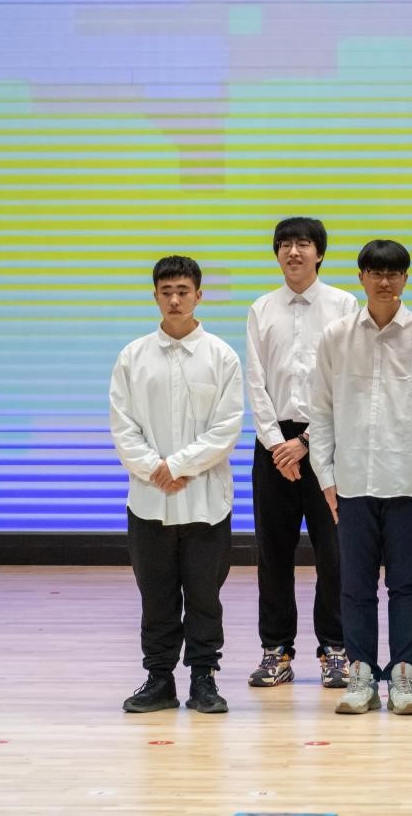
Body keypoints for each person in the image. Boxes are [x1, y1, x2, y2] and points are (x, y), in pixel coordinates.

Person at [309, 239, 412, 717]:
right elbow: (321, 411)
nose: (385, 281)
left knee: (407, 583)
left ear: (406, 278)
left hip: (408, 480)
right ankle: (362, 676)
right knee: (354, 586)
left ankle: (404, 677)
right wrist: (326, 476)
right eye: (375, 272)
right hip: (351, 481)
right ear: (361, 278)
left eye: (394, 273)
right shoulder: (335, 336)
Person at [110, 255, 244, 714]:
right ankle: (159, 679)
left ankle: (204, 679)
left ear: (199, 295)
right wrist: (155, 469)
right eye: (166, 292)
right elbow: (122, 426)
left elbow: (227, 427)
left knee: (205, 596)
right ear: (154, 296)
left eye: (183, 291)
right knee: (156, 596)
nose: (174, 300)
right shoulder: (132, 357)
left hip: (206, 500)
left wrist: (180, 465)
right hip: (149, 499)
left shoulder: (222, 356)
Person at [245, 217, 357, 690]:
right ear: (277, 253)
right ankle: (277, 650)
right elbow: (255, 381)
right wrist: (278, 445)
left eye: (303, 244)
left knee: (334, 552)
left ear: (319, 253)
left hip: (327, 440)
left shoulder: (343, 304)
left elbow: (346, 377)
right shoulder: (261, 308)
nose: (293, 252)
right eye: (285, 244)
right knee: (273, 551)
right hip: (274, 446)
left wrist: (307, 442)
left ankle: (335, 648)